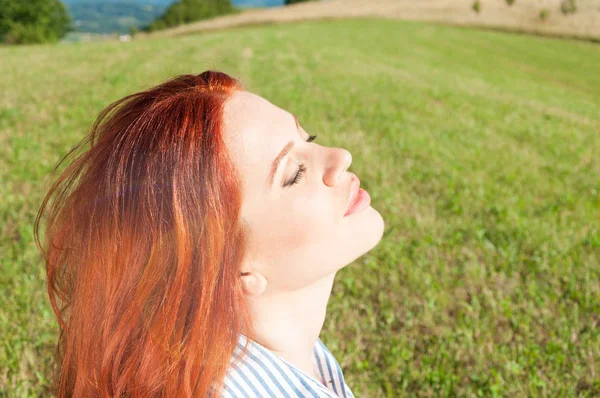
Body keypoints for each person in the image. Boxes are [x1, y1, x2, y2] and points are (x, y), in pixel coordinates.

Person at [34, 70, 385, 397]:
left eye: (309, 138)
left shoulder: (290, 358)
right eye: (294, 173)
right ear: (228, 266)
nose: (342, 156)